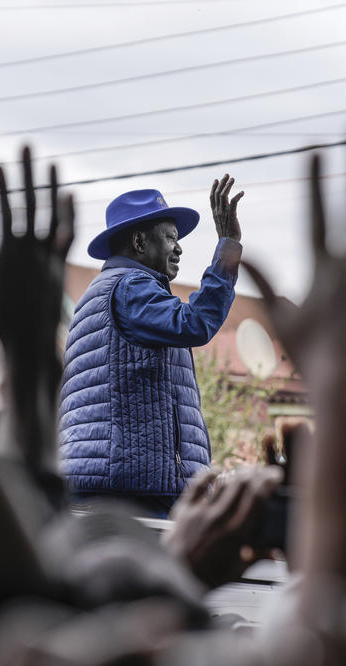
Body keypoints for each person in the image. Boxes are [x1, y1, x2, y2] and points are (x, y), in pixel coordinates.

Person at [58, 178, 243, 516]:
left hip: (109, 483)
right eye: (171, 237)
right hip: (136, 492)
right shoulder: (131, 289)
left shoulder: (97, 294)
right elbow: (196, 323)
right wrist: (228, 247)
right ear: (140, 241)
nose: (179, 247)